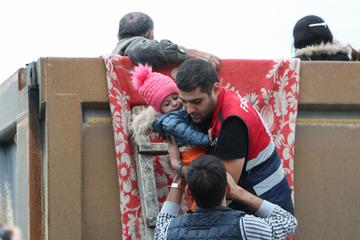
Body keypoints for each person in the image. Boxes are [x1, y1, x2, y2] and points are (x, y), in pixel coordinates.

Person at [169, 59, 294, 214]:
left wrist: (178, 166)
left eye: (196, 102)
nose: (188, 110)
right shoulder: (225, 99)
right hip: (258, 200)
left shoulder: (232, 122)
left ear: (215, 89)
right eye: (184, 102)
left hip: (266, 210)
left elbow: (220, 187)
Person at [154, 154, 298, 240]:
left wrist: (179, 173)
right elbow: (287, 222)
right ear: (227, 188)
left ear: (189, 193)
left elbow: (161, 225)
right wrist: (238, 192)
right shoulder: (245, 227)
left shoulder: (170, 231)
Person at [112, 12, 220, 68]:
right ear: (150, 36)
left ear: (118, 35)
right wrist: (186, 53)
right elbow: (140, 51)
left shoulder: (115, 53)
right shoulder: (133, 45)